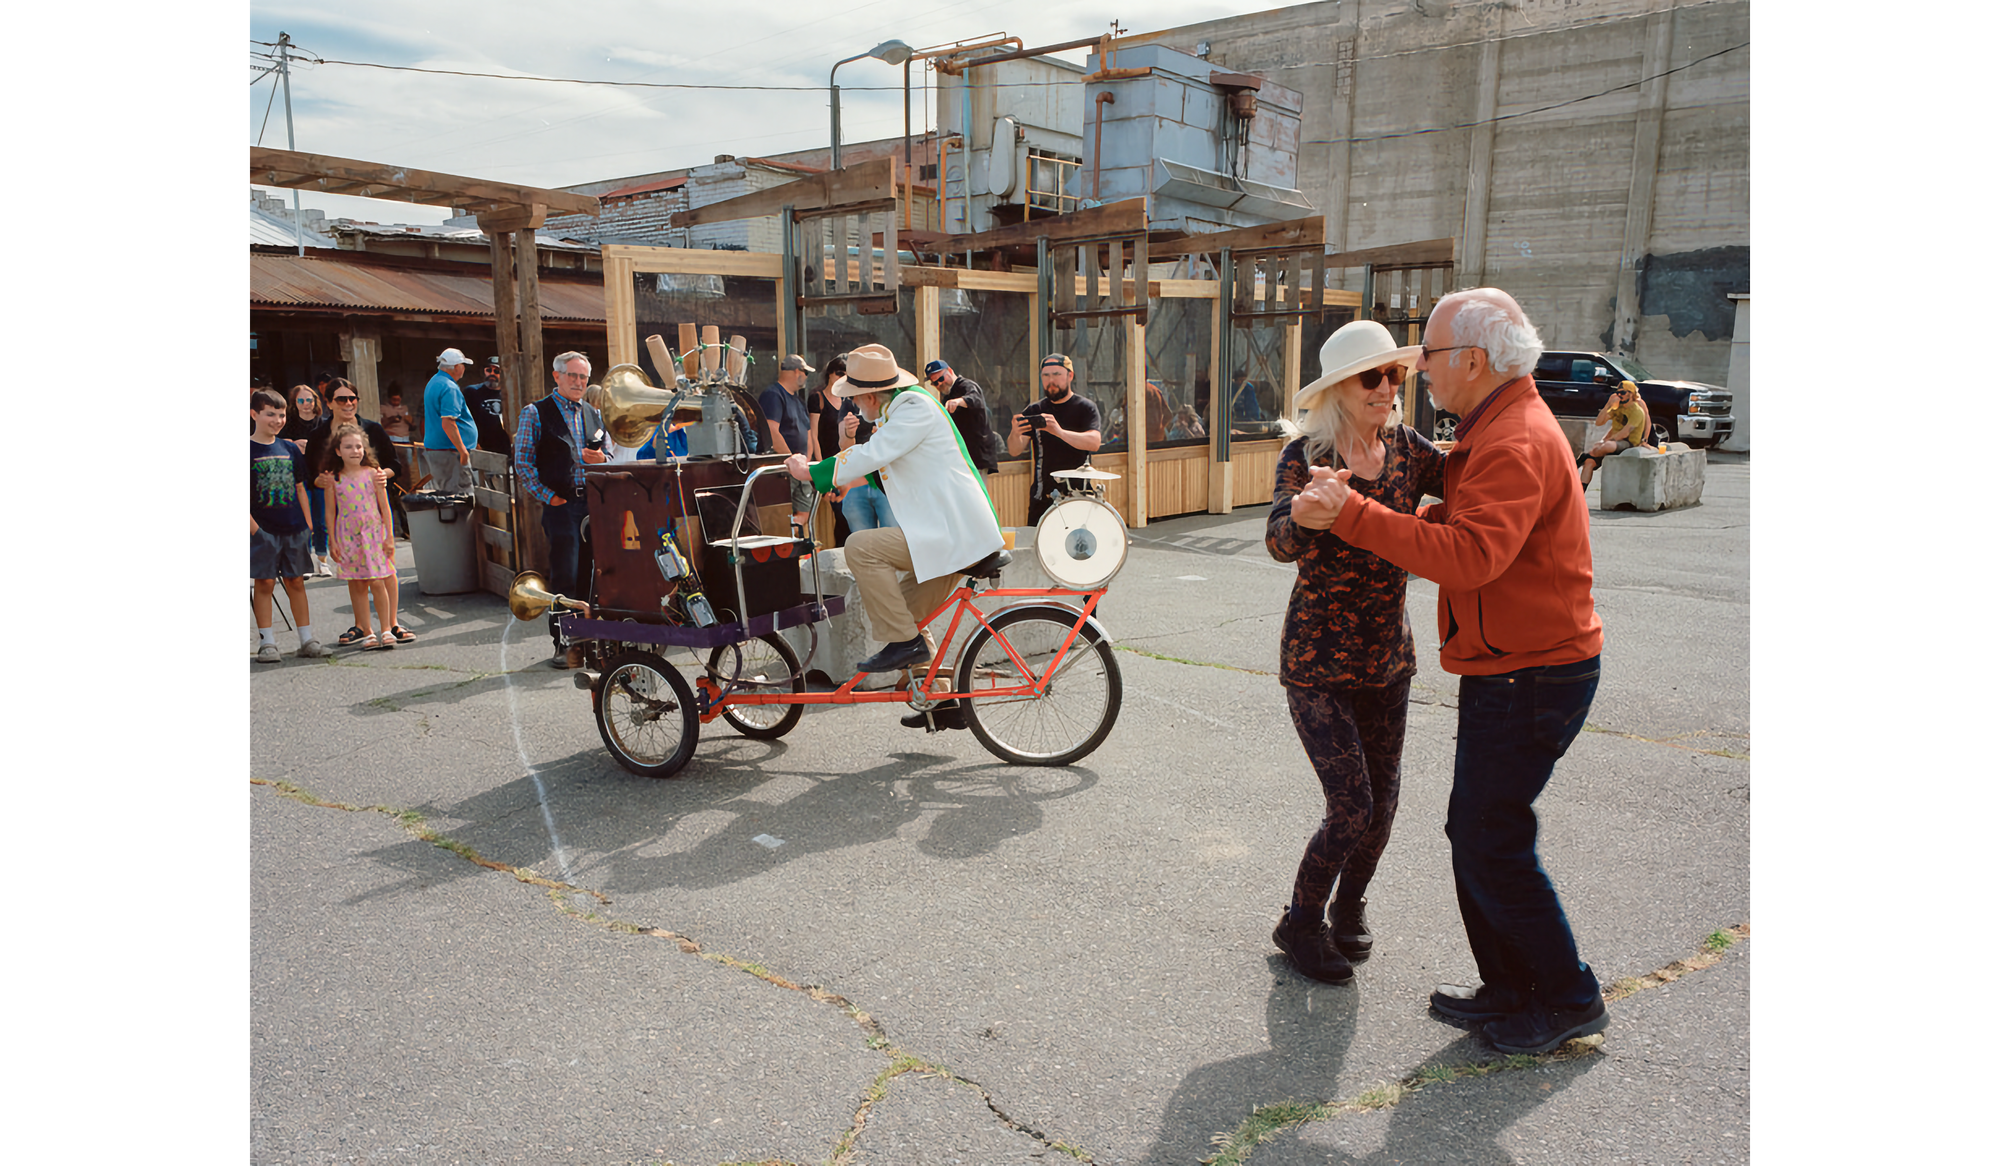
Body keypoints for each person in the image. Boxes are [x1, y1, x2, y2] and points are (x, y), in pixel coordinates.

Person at [1306, 288, 1609, 1054]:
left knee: (1491, 836)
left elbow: (1475, 557)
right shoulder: (1500, 426)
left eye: (1428, 358)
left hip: (1532, 673)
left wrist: (1355, 515)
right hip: (1515, 665)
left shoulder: (1510, 438)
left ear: (1472, 360)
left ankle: (1566, 995)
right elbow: (1473, 523)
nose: (1418, 375)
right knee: (1478, 831)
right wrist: (1413, 516)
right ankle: (1511, 988)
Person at [1266, 320, 1444, 985]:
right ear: (1340, 389)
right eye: (1373, 376)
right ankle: (1300, 922)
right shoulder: (1305, 453)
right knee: (1352, 807)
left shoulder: (1407, 446)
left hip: (1388, 661)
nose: (1388, 387)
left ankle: (1350, 907)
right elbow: (1279, 538)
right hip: (1317, 661)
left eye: (1394, 375)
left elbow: (1466, 474)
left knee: (1385, 804)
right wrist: (1304, 519)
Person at [784, 343, 1002, 729]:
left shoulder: (913, 409)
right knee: (905, 612)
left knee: (861, 547)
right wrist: (840, 476)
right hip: (948, 535)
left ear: (868, 395)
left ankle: (906, 646)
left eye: (853, 398)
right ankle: (941, 701)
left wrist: (812, 472)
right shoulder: (901, 409)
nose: (852, 406)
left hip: (954, 535)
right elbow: (883, 463)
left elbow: (875, 454)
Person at [516, 351, 608, 669]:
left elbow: (607, 454)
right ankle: (564, 645)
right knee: (565, 576)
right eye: (572, 376)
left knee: (594, 575)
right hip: (562, 504)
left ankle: (590, 640)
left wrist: (603, 460)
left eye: (583, 377)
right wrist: (548, 497)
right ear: (556, 376)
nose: (579, 382)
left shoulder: (594, 413)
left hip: (592, 504)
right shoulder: (535, 412)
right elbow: (523, 463)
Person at [247, 389, 329, 662]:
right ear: (254, 414)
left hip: (294, 526)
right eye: (270, 414)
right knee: (265, 583)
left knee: (296, 582)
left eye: (281, 414)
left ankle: (307, 639)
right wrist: (254, 528)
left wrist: (308, 523)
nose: (277, 420)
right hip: (262, 529)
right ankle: (267, 643)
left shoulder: (290, 448)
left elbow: (300, 488)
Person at [322, 422, 404, 650]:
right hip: (348, 537)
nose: (355, 451)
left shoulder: (373, 474)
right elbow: (330, 511)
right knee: (357, 584)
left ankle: (386, 629)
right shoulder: (334, 479)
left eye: (358, 447)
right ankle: (368, 631)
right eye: (348, 447)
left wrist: (389, 536)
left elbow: (385, 507)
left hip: (374, 536)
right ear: (338, 451)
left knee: (378, 582)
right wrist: (332, 539)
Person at [1007, 353, 1103, 524]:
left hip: (1077, 494)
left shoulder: (1085, 407)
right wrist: (1015, 432)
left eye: (1056, 374)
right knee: (1039, 547)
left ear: (1070, 375)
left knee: (1076, 547)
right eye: (1046, 375)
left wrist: (1058, 431)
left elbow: (1094, 442)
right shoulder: (1034, 409)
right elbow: (1014, 450)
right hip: (1042, 495)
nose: (1051, 380)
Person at [759, 354, 817, 533]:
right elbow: (771, 430)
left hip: (801, 468)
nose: (807, 377)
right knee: (779, 514)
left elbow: (808, 435)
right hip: (782, 468)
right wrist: (791, 459)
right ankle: (787, 549)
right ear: (796, 372)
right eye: (806, 372)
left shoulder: (798, 401)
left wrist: (805, 462)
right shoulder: (773, 395)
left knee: (805, 512)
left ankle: (796, 545)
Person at [807, 355, 855, 547]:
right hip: (828, 463)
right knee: (840, 512)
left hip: (846, 464)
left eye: (846, 374)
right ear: (829, 373)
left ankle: (847, 553)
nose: (841, 377)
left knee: (850, 513)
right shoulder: (817, 398)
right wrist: (821, 467)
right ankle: (840, 552)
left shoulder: (849, 401)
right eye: (839, 373)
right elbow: (814, 435)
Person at [923, 359, 999, 475]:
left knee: (976, 491)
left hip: (976, 456)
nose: (939, 385)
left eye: (941, 379)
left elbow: (976, 399)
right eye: (934, 383)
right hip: (961, 457)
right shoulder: (947, 396)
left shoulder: (967, 385)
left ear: (950, 371)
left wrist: (959, 401)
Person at [422, 347, 478, 493]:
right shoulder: (449, 387)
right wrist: (463, 451)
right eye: (463, 365)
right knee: (460, 495)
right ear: (456, 367)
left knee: (446, 493)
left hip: (440, 450)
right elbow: (448, 422)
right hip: (450, 452)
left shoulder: (434, 382)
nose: (464, 368)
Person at [1578, 380, 1648, 486]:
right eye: (1617, 392)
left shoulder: (1637, 410)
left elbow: (1625, 433)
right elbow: (1599, 422)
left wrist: (1605, 442)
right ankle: (1581, 493)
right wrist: (1608, 405)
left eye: (1623, 393)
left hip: (1628, 442)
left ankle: (1586, 455)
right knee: (1589, 462)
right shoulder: (1617, 407)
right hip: (1613, 441)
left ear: (1631, 394)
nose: (1619, 395)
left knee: (1607, 446)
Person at [464, 360, 512, 456]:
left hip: (505, 448)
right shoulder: (472, 392)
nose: (492, 374)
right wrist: (474, 443)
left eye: (497, 371)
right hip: (480, 447)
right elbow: (464, 419)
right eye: (489, 370)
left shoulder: (509, 394)